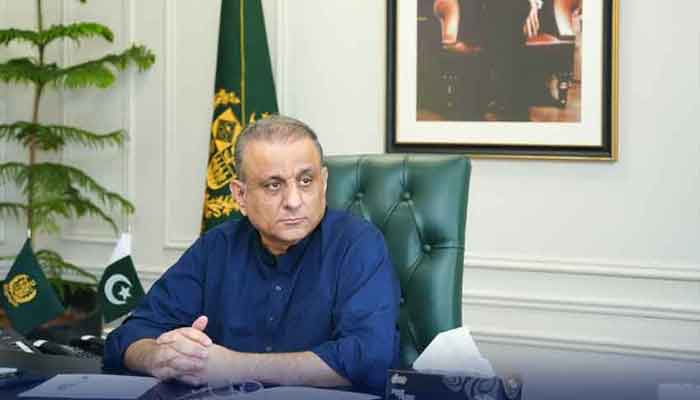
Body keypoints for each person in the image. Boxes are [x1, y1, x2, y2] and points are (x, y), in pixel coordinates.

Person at [102, 115, 401, 395]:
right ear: (240, 196)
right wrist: (160, 358)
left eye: (306, 181)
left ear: (323, 182)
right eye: (274, 185)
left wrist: (231, 367)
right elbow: (129, 336)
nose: (294, 201)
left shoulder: (357, 244)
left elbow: (369, 358)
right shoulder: (217, 247)